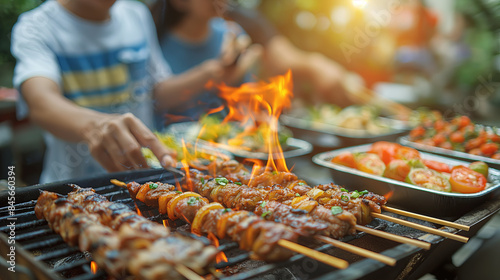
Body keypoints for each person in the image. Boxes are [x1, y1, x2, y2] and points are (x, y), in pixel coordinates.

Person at [11, 0, 178, 183]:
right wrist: (95, 127)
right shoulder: (36, 26)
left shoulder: (137, 14)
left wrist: (212, 71)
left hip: (146, 180)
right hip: (71, 189)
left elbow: (157, 91)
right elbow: (41, 104)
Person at [149, 0, 262, 129]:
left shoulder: (231, 36)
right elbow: (156, 100)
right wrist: (208, 73)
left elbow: (244, 101)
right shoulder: (156, 38)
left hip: (221, 140)